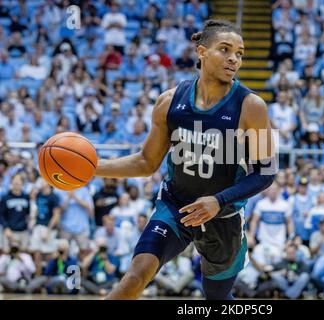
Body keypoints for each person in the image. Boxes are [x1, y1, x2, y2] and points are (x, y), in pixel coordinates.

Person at [95, 20, 276, 300]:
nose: (234, 59)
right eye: (225, 49)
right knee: (134, 277)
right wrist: (93, 168)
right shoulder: (170, 102)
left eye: (239, 53)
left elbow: (266, 173)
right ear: (201, 52)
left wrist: (219, 200)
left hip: (223, 215)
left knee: (216, 299)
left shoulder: (252, 107)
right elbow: (146, 162)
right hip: (175, 207)